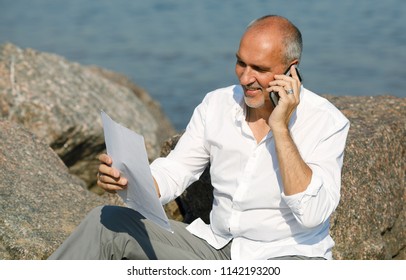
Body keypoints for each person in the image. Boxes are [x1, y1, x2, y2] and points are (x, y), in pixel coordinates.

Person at [49, 14, 350, 260]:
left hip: (287, 258)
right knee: (107, 223)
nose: (245, 78)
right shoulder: (216, 104)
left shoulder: (326, 122)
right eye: (240, 63)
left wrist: (281, 128)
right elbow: (176, 170)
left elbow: (312, 213)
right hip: (216, 248)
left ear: (291, 71)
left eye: (259, 69)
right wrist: (131, 180)